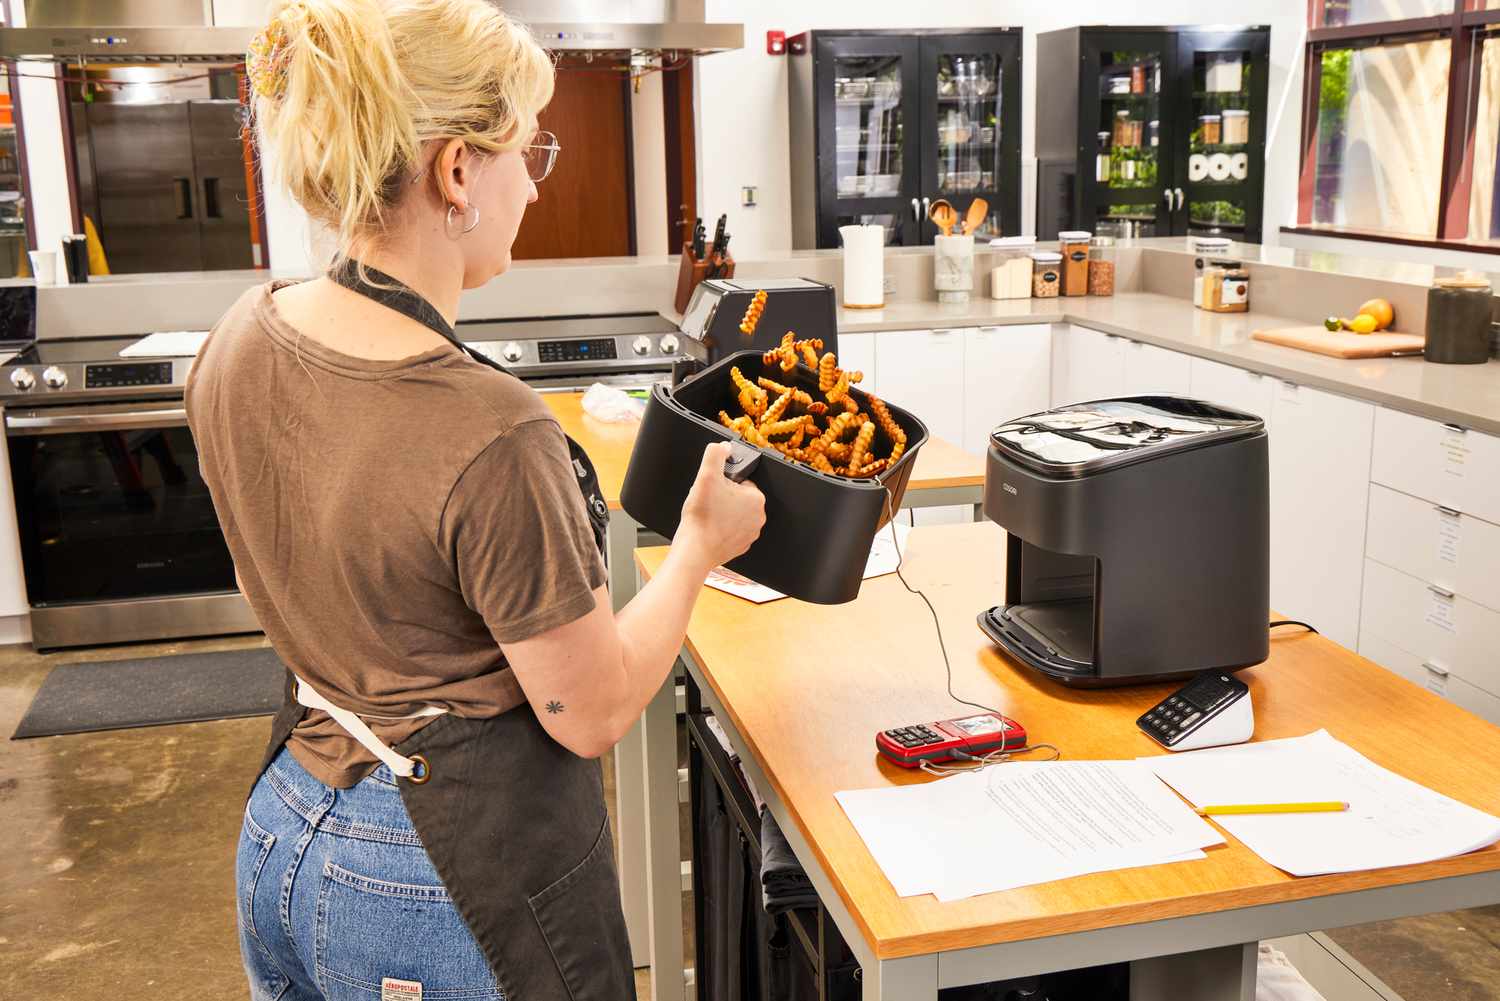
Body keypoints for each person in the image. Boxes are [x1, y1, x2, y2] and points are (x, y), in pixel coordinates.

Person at [184, 2, 765, 998]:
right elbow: (590, 710)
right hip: (431, 876)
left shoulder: (240, 335)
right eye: (527, 151)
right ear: (457, 172)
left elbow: (272, 571)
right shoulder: (494, 429)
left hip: (283, 827)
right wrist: (698, 547)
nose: (533, 185)